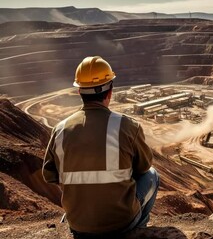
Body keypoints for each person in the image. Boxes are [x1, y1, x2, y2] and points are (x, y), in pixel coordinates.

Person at [42, 56, 159, 237]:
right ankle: (138, 230)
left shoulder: (60, 129)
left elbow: (50, 175)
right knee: (152, 175)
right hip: (121, 224)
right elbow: (143, 166)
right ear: (109, 91)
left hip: (79, 226)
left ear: (79, 91)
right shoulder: (127, 126)